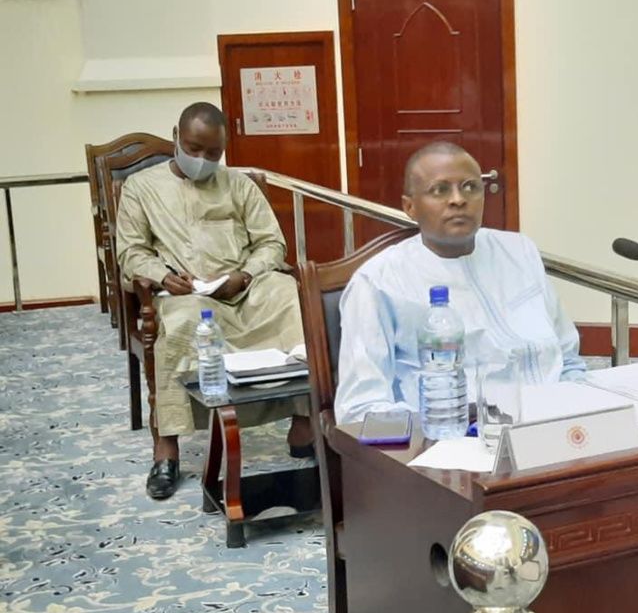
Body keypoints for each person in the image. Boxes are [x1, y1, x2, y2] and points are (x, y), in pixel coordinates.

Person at [115, 102, 311, 500]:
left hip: (243, 287)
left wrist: (245, 275)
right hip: (184, 293)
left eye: (213, 153)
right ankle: (166, 445)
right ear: (176, 136)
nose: (203, 160)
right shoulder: (141, 187)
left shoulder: (239, 184)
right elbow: (131, 252)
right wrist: (163, 276)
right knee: (184, 321)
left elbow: (271, 244)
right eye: (194, 148)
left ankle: (303, 421)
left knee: (288, 296)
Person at [335, 141, 586, 424]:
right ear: (410, 207)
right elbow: (359, 409)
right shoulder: (378, 282)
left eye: (470, 187)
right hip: (458, 436)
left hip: (556, 421)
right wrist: (441, 424)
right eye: (439, 190)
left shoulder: (519, 252)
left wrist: (579, 410)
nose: (458, 199)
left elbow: (568, 359)